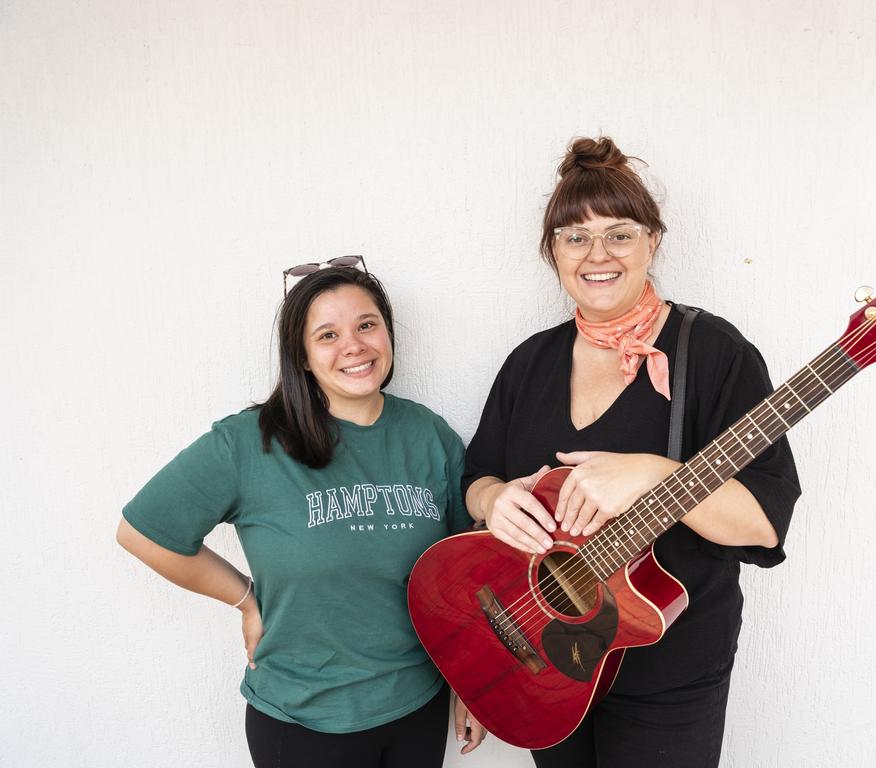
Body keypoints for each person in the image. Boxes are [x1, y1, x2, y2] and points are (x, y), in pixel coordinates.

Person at [463, 137, 801, 767]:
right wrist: (494, 499)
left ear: (653, 241)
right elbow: (476, 476)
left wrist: (655, 474)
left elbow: (762, 520)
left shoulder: (716, 354)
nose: (597, 255)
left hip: (669, 672)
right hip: (545, 651)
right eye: (574, 237)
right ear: (553, 252)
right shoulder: (530, 361)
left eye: (619, 234)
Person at [117, 263, 485, 767]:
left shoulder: (429, 436)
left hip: (417, 706)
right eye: (328, 334)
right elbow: (143, 532)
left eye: (366, 324)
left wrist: (474, 681)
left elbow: (466, 574)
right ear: (303, 356)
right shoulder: (249, 443)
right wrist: (245, 599)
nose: (353, 346)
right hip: (303, 721)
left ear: (388, 333)